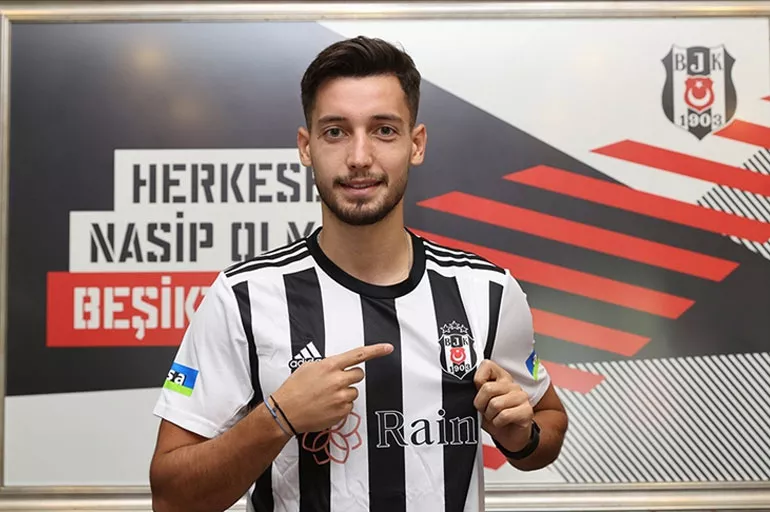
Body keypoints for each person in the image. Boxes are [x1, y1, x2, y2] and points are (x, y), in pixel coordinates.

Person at [149, 35, 568, 512]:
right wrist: (277, 417)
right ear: (306, 147)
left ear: (416, 144)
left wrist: (523, 438)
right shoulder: (243, 297)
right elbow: (171, 496)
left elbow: (548, 421)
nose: (359, 157)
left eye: (384, 130)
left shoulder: (488, 291)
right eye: (336, 132)